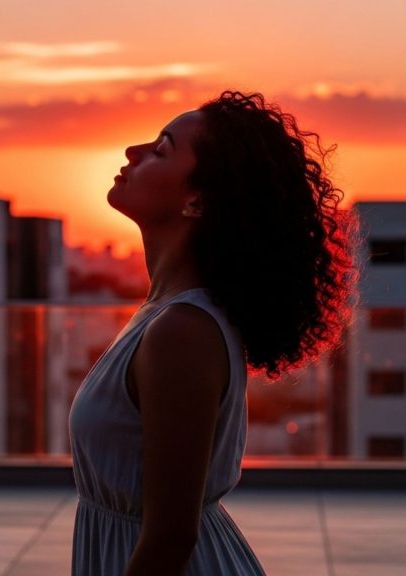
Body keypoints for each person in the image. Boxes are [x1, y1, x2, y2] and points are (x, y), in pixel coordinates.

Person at [68, 90, 357, 575]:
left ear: (197, 200)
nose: (132, 153)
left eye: (161, 149)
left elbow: (170, 538)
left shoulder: (182, 331)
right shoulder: (163, 315)